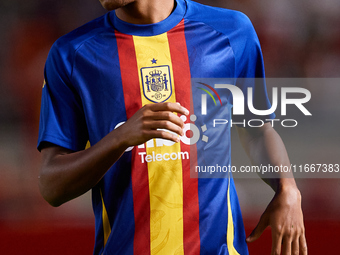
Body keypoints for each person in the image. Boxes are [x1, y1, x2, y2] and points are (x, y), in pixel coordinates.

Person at [37, 0, 307, 254]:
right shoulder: (72, 54)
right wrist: (120, 138)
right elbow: (52, 187)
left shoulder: (231, 31)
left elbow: (257, 129)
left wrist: (287, 188)